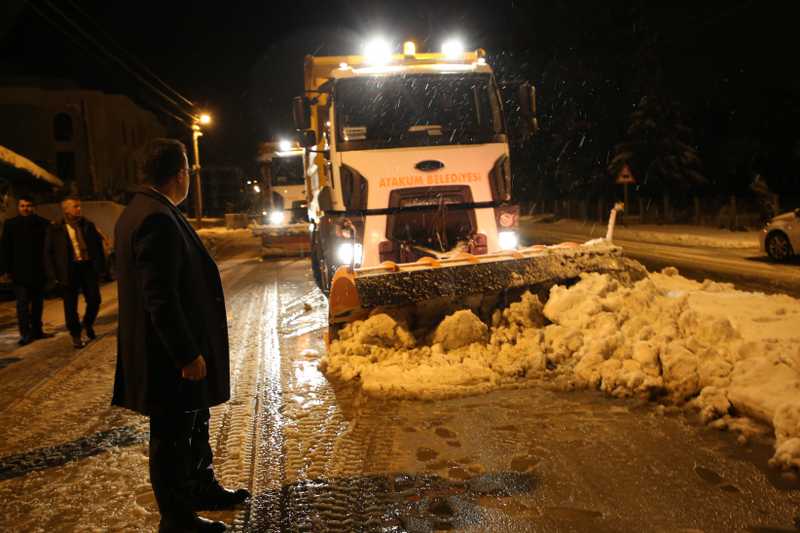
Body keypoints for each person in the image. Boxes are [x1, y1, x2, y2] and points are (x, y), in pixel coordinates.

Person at [112, 139, 249, 533]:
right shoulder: (155, 218)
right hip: (168, 357)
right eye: (188, 170)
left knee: (193, 423)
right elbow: (160, 297)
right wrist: (187, 354)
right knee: (171, 438)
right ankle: (177, 519)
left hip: (170, 352)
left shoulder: (141, 211)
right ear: (180, 174)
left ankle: (201, 487)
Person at [44, 197, 105, 349]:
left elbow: (98, 247)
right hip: (68, 269)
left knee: (95, 299)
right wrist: (53, 275)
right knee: (70, 306)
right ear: (66, 210)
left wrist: (100, 267)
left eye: (79, 206)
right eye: (75, 206)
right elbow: (48, 252)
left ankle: (87, 324)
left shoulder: (87, 225)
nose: (79, 209)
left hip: (87, 266)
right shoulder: (56, 228)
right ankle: (76, 335)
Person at [0, 196, 54, 345]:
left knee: (38, 304)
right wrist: (4, 270)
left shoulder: (42, 223)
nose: (25, 208)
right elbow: (5, 248)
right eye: (22, 206)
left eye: (28, 205)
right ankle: (25, 334)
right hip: (19, 272)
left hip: (38, 271)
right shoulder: (10, 224)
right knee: (22, 305)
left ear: (34, 207)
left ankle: (37, 331)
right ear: (18, 207)